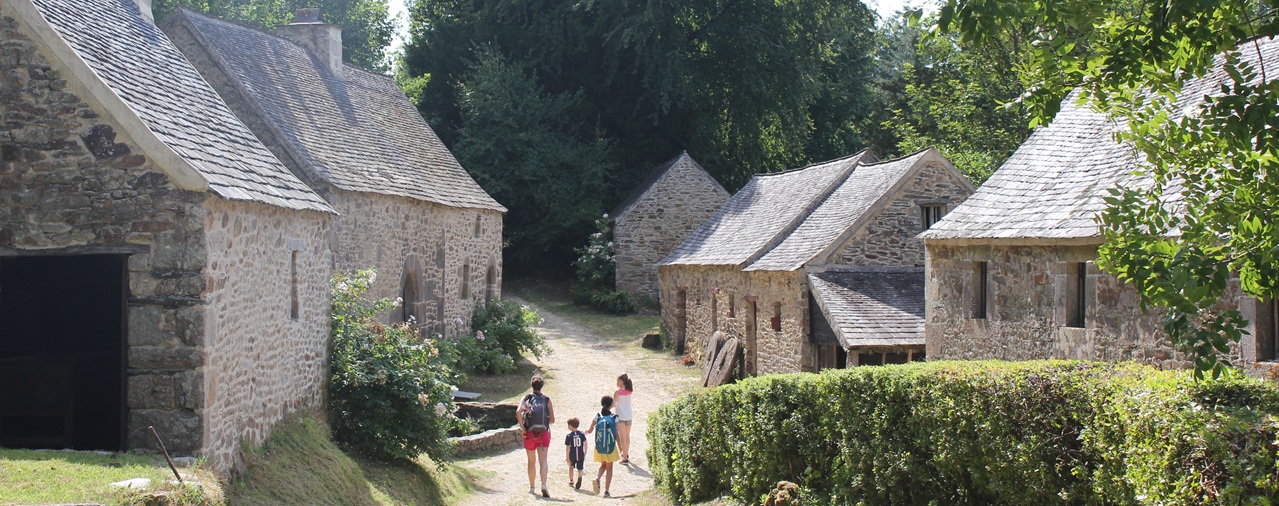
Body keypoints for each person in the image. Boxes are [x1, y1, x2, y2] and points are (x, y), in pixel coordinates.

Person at [516, 375, 555, 497]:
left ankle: (532, 486)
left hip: (529, 434)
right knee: (543, 461)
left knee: (531, 461)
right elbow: (552, 420)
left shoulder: (526, 398)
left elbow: (518, 412)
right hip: (543, 434)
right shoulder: (547, 400)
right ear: (542, 386)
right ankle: (543, 484)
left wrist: (523, 428)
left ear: (531, 385)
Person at [586, 395, 620, 497]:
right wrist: (620, 446)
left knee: (603, 465)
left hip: (600, 447)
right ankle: (606, 490)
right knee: (609, 468)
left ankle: (597, 478)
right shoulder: (614, 417)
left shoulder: (597, 416)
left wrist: (586, 431)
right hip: (610, 447)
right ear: (611, 405)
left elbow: (590, 430)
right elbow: (617, 434)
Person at [614, 374, 634, 464]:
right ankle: (626, 453)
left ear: (621, 381)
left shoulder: (617, 392)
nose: (617, 382)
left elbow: (614, 403)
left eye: (618, 381)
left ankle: (625, 457)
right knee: (627, 436)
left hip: (620, 416)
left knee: (622, 437)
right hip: (629, 415)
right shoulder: (629, 390)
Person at [564, 418, 587, 490]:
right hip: (580, 454)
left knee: (571, 467)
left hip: (572, 454)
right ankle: (580, 477)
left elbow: (568, 448)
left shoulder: (569, 436)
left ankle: (571, 480)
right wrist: (585, 452)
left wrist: (567, 457)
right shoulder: (582, 434)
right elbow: (585, 443)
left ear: (570, 425)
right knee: (580, 468)